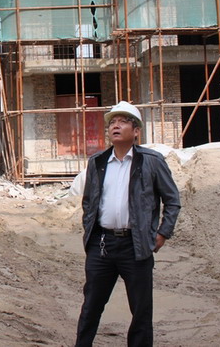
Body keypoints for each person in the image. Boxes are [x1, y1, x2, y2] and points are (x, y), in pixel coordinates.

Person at [75, 101, 182, 347]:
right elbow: (89, 201)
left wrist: (162, 233)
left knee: (141, 310)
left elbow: (172, 200)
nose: (115, 126)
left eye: (122, 122)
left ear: (136, 131)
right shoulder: (98, 162)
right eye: (112, 122)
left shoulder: (151, 161)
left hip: (136, 246)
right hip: (102, 245)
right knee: (91, 306)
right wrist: (90, 233)